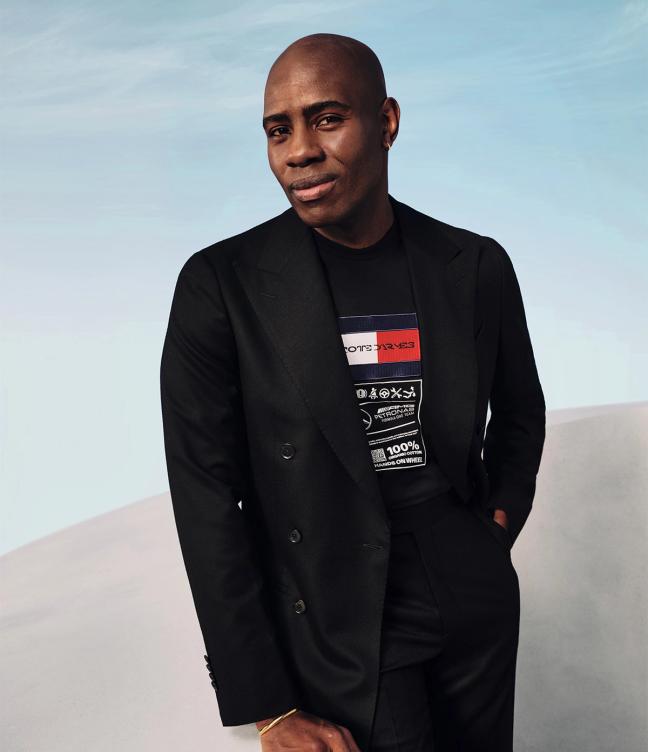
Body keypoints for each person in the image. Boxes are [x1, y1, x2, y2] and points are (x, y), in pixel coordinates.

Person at [160, 32, 546, 752]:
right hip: (334, 610)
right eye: (278, 131)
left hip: (468, 591)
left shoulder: (474, 264)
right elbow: (205, 496)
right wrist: (269, 706)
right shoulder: (221, 285)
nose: (299, 151)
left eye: (327, 119)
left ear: (387, 121)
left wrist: (493, 530)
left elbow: (520, 411)